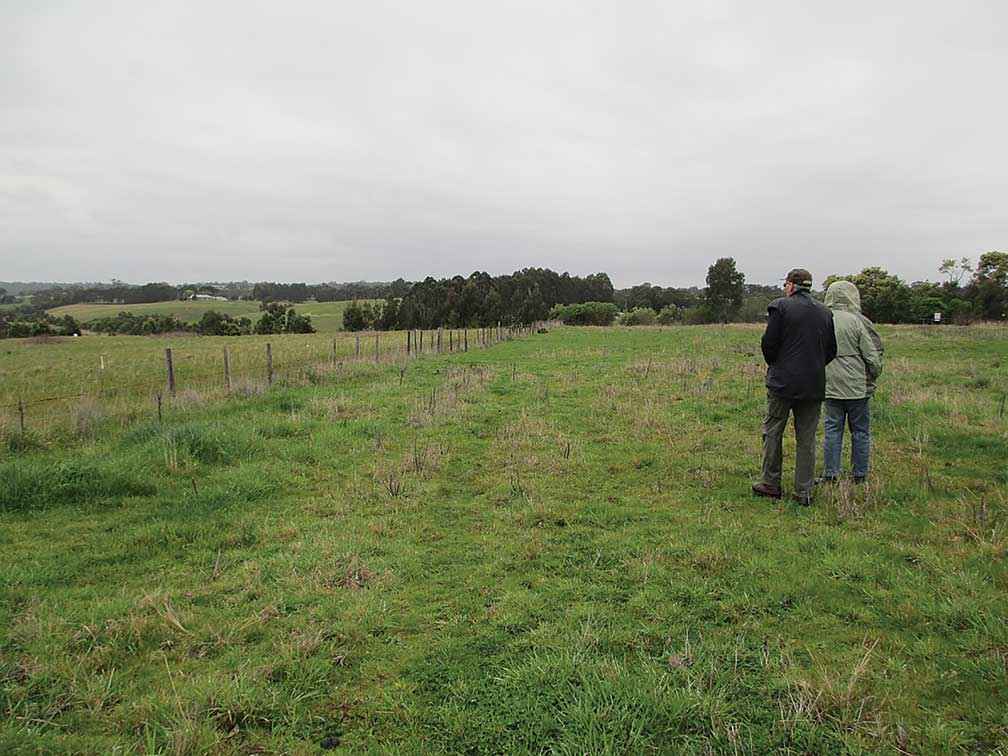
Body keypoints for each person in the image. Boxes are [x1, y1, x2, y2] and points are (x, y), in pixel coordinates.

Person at [752, 268, 837, 505]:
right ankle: (803, 491)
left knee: (773, 432)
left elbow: (769, 343)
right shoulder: (825, 312)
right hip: (814, 384)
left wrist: (777, 365)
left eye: (785, 284)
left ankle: (770, 483)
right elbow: (831, 350)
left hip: (782, 382)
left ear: (791, 285)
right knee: (807, 439)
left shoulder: (780, 306)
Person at [820, 280, 883, 483]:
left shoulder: (822, 319)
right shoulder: (859, 321)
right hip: (858, 386)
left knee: (832, 430)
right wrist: (873, 374)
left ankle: (831, 473)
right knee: (861, 431)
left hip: (829, 384)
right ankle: (859, 474)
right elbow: (872, 354)